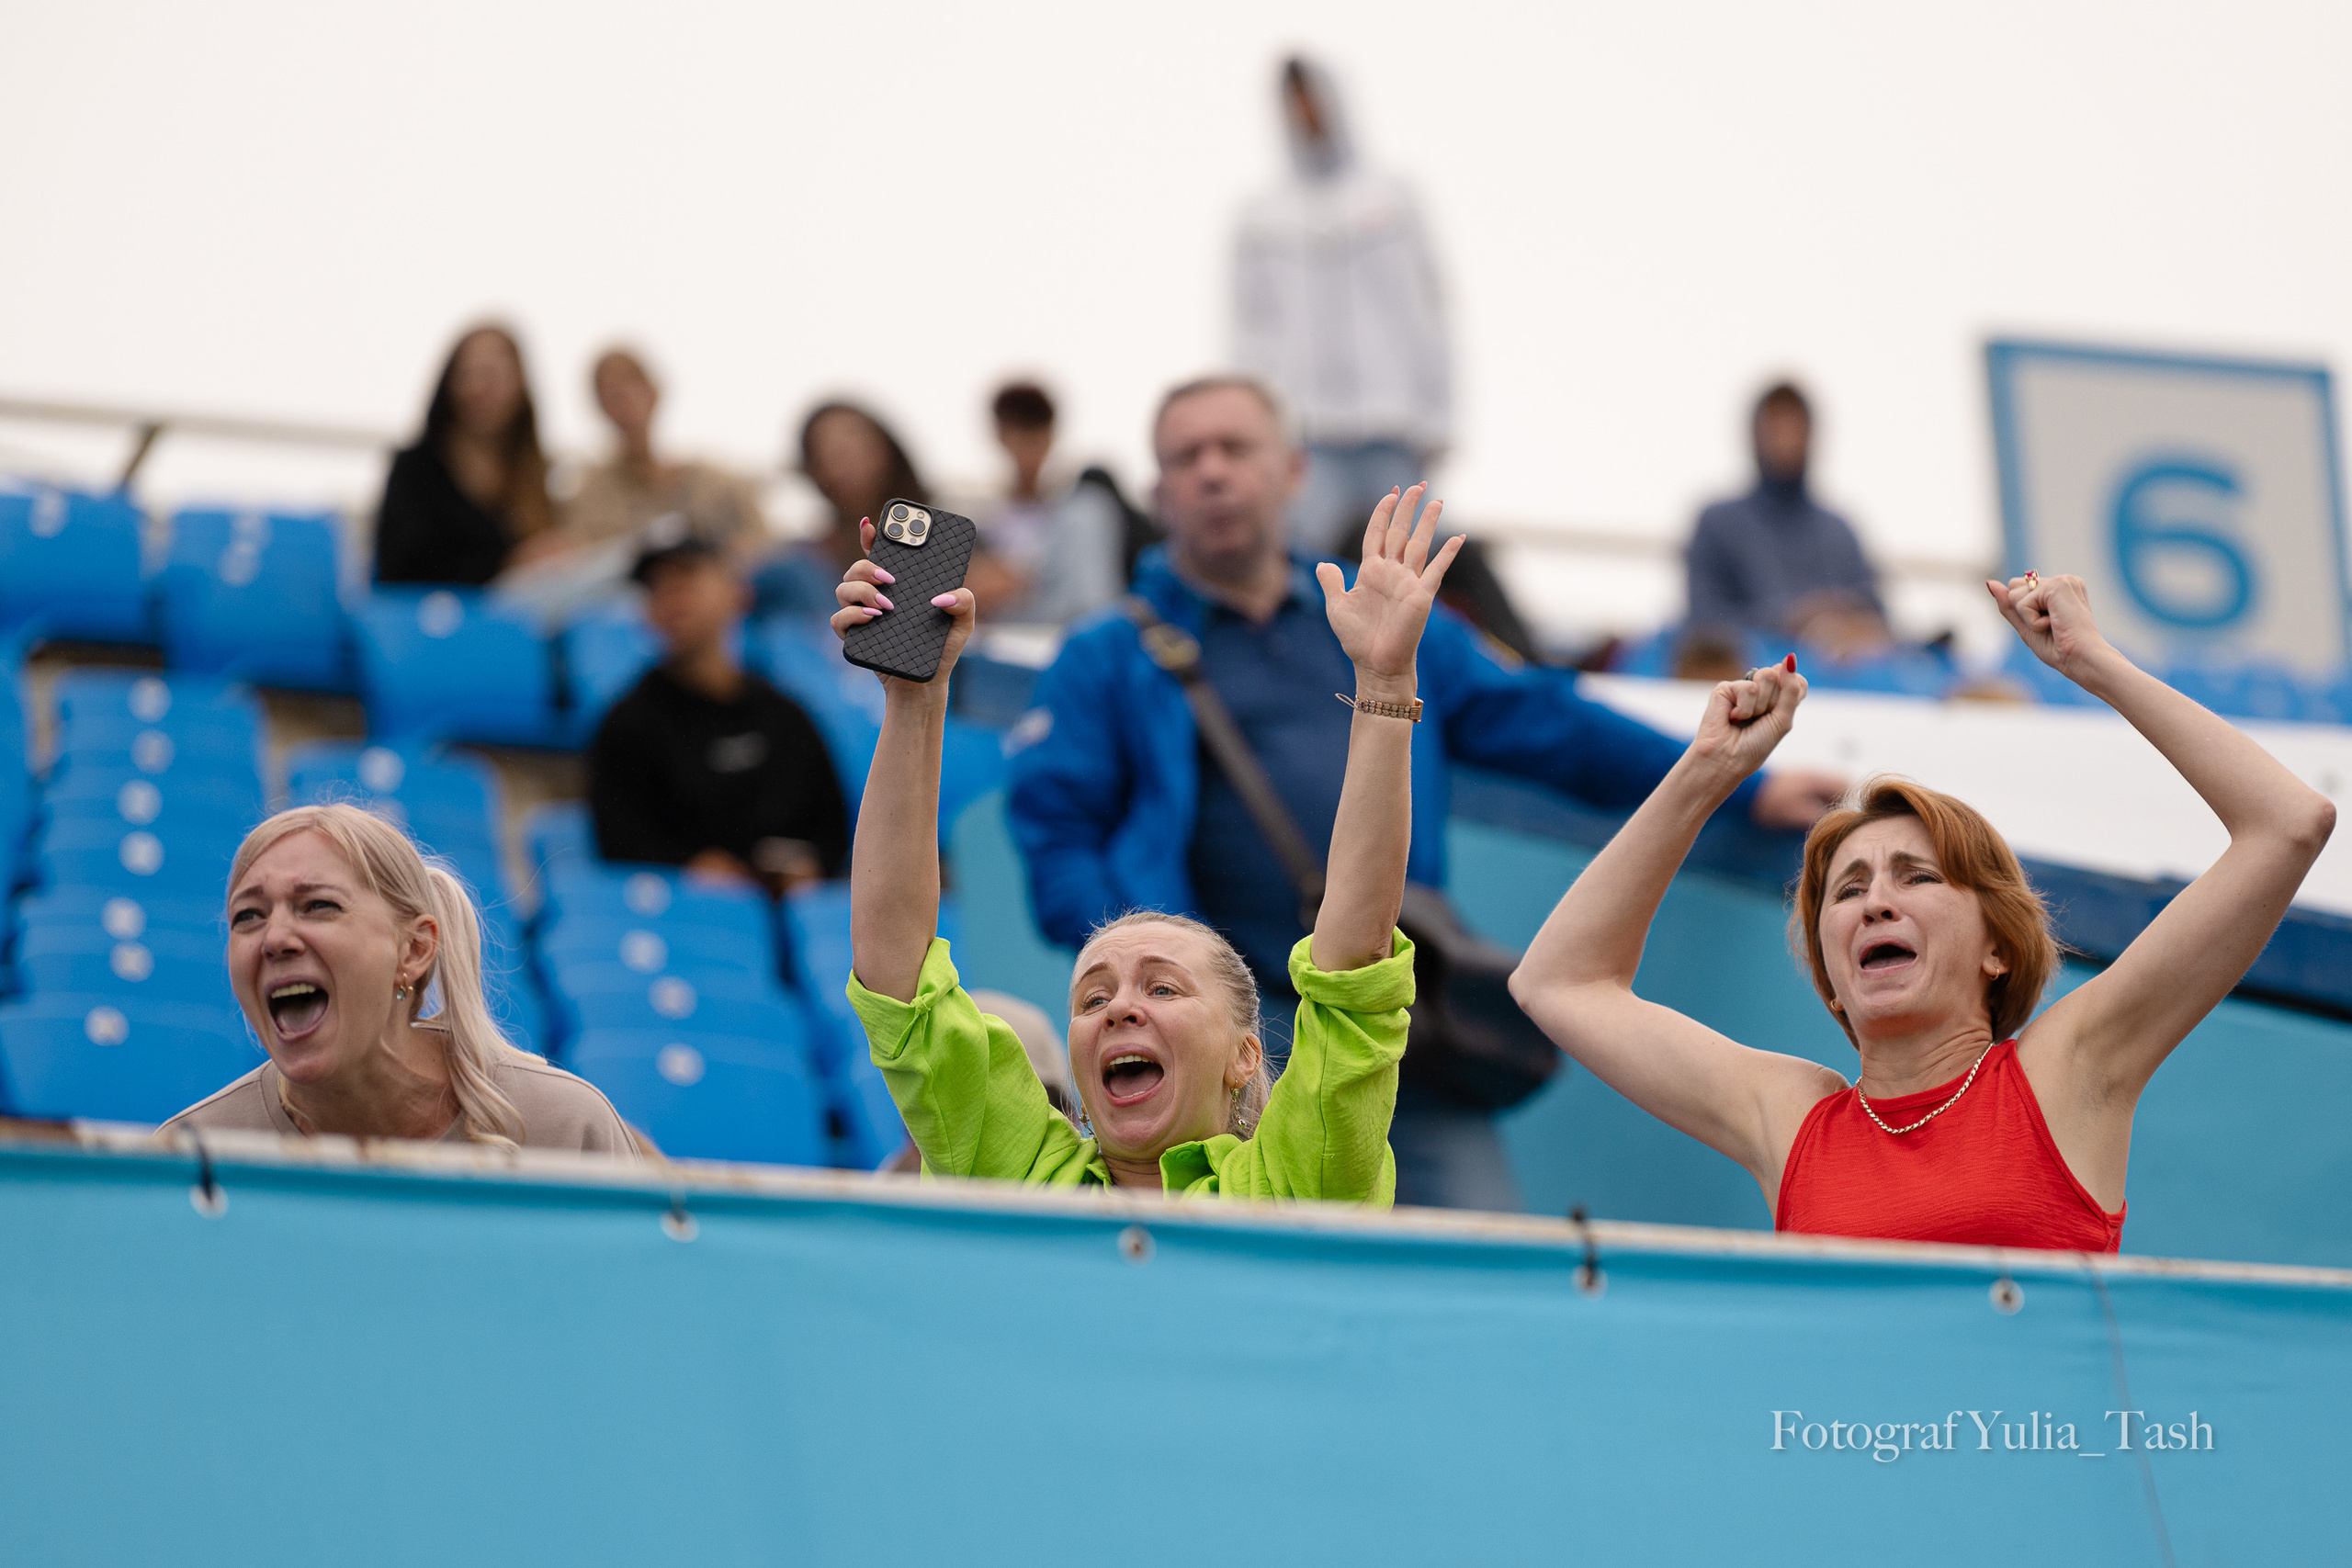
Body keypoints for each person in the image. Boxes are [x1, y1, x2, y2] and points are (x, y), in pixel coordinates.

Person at [1006, 377, 1846, 1211]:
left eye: (1235, 448)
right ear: (1159, 490)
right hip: (1226, 1053)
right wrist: (1162, 985)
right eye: (1187, 456)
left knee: (1477, 1275)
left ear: (1293, 470)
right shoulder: (1105, 656)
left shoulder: (1380, 613)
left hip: (1390, 1027)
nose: (1213, 472)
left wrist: (1745, 785)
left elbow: (1545, 722)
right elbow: (1055, 844)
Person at [1509, 574, 2335, 1250]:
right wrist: (1705, 771)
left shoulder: (2067, 1070)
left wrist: (2095, 665)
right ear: (1831, 967)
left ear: (1997, 948)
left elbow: (2288, 824)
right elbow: (1561, 982)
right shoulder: (1792, 1118)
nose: (1875, 902)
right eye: (1848, 888)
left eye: (1915, 876)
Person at [840, 485, 1462, 1199]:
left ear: (1244, 1055)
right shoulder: (1022, 1175)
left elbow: (1355, 966)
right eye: (1091, 998)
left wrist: (1385, 687)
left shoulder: (1293, 1180)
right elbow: (898, 975)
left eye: (1163, 986)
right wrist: (914, 697)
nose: (1120, 1008)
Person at [161, 804, 638, 1154]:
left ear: (414, 950)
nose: (275, 938)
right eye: (248, 916)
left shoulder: (565, 1130)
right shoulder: (192, 1155)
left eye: (318, 906)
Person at [1236, 57, 1449, 558]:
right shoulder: (1262, 214)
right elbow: (1248, 327)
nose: (1305, 112)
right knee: (1307, 560)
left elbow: (1429, 311)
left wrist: (1437, 416)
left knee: (1409, 558)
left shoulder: (1392, 199)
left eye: (1311, 96)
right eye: (1293, 101)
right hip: (1306, 428)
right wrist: (1255, 425)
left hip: (1389, 422)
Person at [587, 525, 849, 895]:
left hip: (792, 913)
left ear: (737, 592)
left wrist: (808, 866)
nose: (671, 594)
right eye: (656, 586)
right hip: (686, 920)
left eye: (688, 576)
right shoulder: (626, 724)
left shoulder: (787, 715)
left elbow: (831, 827)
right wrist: (691, 869)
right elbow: (621, 842)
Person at [1684, 382, 1894, 660]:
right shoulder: (1718, 522)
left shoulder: (1839, 530)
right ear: (1756, 435)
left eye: (1795, 427)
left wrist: (1851, 626)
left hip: (1846, 684)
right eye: (1776, 428)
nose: (1786, 440)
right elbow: (1703, 620)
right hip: (1755, 679)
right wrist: (1790, 620)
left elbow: (1880, 618)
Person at [374, 324, 558, 585]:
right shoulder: (416, 470)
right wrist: (508, 565)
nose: (480, 388)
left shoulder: (533, 478)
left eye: (494, 375)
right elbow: (400, 567)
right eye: (468, 374)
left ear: (520, 385)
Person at [562, 348, 769, 554]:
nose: (624, 402)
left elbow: (765, 548)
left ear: (653, 393)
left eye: (632, 385)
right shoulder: (590, 498)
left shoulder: (715, 485)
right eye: (610, 395)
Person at [961, 380, 1122, 626]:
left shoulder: (1085, 512)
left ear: (1050, 435)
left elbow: (1093, 603)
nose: (1026, 446)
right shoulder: (981, 522)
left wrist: (1023, 582)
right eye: (1016, 431)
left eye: (1034, 432)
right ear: (1001, 436)